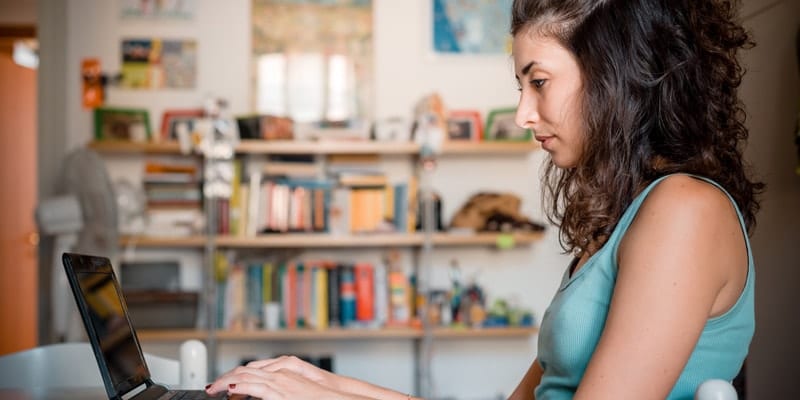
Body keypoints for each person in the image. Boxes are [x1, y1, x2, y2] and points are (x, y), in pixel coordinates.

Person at [206, 0, 763, 398]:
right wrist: (328, 384)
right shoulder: (626, 219)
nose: (523, 113)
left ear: (614, 72)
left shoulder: (685, 210)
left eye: (538, 82)